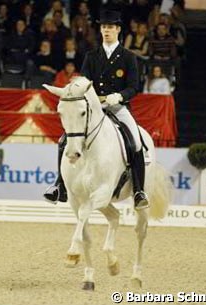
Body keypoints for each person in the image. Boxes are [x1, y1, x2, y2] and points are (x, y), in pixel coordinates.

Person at [44, 9, 149, 210]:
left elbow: (134, 86)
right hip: (94, 108)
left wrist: (119, 96)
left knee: (135, 141)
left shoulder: (128, 57)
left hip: (118, 107)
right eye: (104, 27)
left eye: (110, 27)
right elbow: (83, 81)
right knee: (63, 140)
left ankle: (138, 191)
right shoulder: (92, 55)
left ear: (118, 29)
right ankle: (60, 186)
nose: (107, 30)